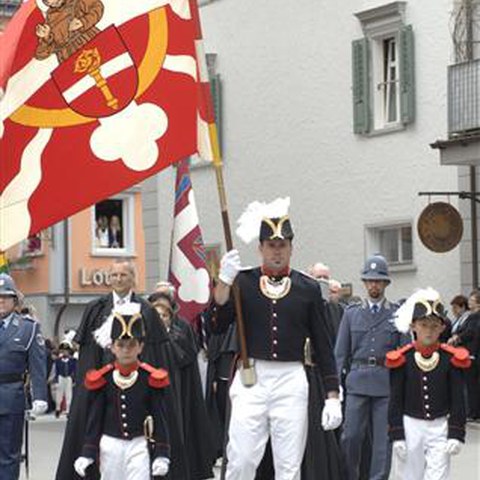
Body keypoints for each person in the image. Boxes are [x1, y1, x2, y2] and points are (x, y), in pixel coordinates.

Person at [212, 198, 342, 480]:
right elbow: (218, 323)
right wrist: (223, 281)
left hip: (291, 378)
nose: (277, 251)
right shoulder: (243, 282)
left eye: (282, 245)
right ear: (260, 248)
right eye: (271, 245)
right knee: (241, 459)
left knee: (289, 465)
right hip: (252, 377)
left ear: (291, 248)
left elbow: (323, 344)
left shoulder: (307, 287)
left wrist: (333, 395)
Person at [55, 259, 187, 480]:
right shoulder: (96, 309)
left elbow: (156, 354)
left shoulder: (146, 310)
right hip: (103, 388)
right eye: (114, 275)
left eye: (123, 275)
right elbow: (88, 355)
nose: (118, 279)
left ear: (133, 278)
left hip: (139, 391)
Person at [74, 307, 170, 479]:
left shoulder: (150, 378)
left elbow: (160, 417)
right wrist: (87, 452)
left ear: (141, 347)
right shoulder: (103, 378)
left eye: (132, 344)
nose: (126, 350)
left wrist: (162, 454)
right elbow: (95, 419)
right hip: (110, 444)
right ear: (112, 347)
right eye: (121, 345)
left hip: (139, 444)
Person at [386, 288, 470, 480]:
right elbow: (395, 399)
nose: (429, 331)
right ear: (413, 326)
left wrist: (456, 432)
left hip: (440, 425)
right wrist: (397, 433)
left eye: (434, 326)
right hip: (410, 425)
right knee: (409, 475)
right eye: (424, 325)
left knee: (438, 476)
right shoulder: (402, 358)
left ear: (442, 328)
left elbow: (458, 398)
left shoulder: (450, 358)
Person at [335, 254, 403, 480]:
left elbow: (404, 355)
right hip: (357, 382)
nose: (374, 284)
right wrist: (335, 388)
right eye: (370, 280)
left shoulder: (397, 315)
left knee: (383, 442)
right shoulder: (351, 314)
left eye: (378, 280)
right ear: (364, 283)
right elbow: (340, 353)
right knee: (351, 436)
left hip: (386, 384)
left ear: (385, 283)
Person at [148, 291, 216, 480]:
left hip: (176, 389)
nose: (160, 318)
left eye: (164, 314)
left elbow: (186, 357)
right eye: (156, 314)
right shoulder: (142, 332)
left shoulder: (182, 329)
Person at [0, 273, 48, 479]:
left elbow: (38, 365)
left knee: (9, 455)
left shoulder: (28, 328)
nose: (1, 301)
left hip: (12, 398)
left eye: (5, 297)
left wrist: (40, 396)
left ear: (15, 300)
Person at [35, 0, 104, 63]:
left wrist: (83, 22)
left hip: (89, 41)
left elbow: (97, 7)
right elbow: (40, 55)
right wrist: (46, 38)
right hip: (70, 57)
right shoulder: (49, 20)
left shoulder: (76, 2)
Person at [447, 290, 480, 420]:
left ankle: (473, 412)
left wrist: (457, 338)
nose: (469, 303)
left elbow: (470, 333)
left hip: (471, 352)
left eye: (472, 301)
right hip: (470, 352)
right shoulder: (471, 316)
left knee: (471, 385)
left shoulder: (473, 317)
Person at [53, 340, 77, 417]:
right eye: (63, 351)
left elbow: (75, 371)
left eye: (66, 351)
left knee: (69, 394)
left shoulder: (73, 361)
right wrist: (56, 380)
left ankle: (68, 410)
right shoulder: (58, 361)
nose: (64, 352)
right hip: (61, 377)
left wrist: (74, 380)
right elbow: (56, 371)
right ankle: (58, 408)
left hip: (68, 377)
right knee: (59, 394)